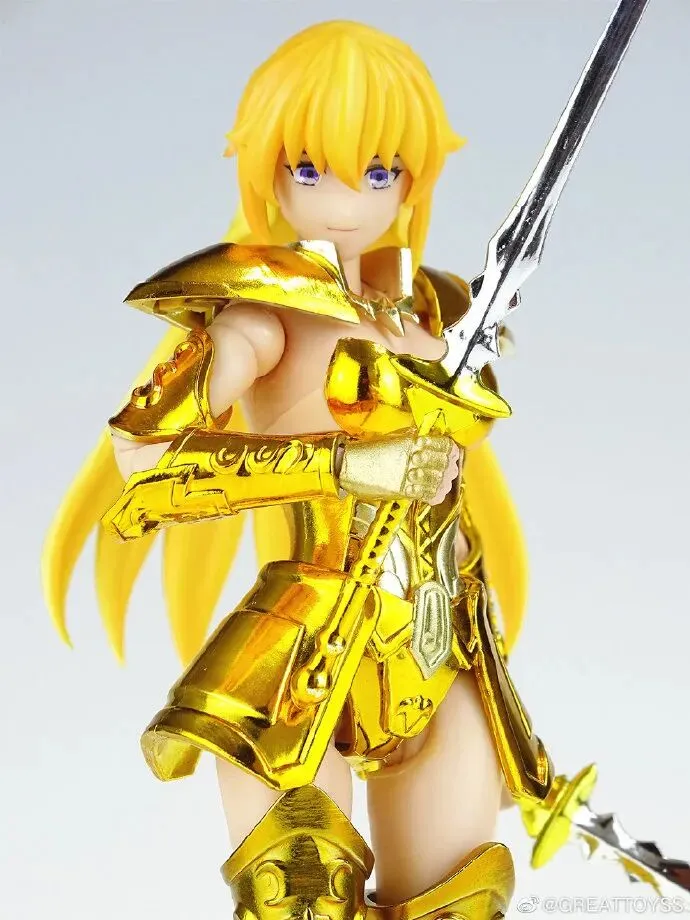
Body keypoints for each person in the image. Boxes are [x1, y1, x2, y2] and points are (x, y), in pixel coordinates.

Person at [43, 20, 553, 920]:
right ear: (268, 169)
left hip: (437, 645)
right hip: (298, 653)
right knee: (302, 898)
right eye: (312, 168)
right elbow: (144, 458)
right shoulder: (260, 316)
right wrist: (347, 466)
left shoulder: (440, 313)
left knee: (459, 900)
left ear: (415, 175)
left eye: (380, 170)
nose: (347, 199)